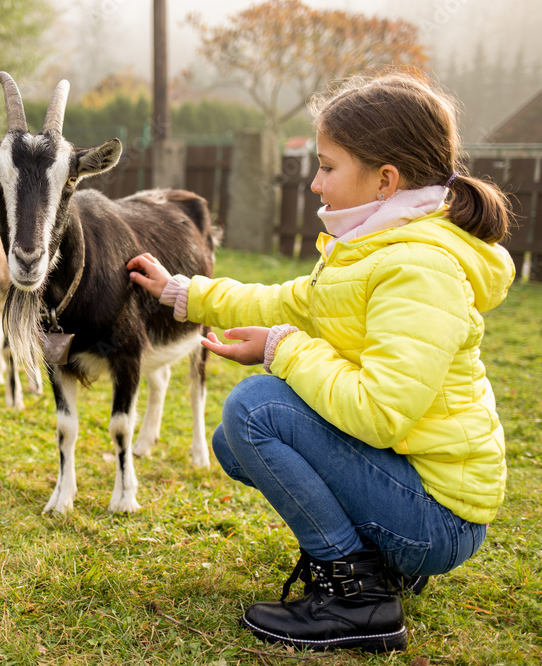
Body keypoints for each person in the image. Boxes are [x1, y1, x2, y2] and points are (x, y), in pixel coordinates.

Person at [127, 73, 515, 654]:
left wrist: (281, 348)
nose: (313, 183)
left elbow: (380, 412)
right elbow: (287, 300)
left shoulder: (417, 269)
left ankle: (358, 596)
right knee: (235, 442)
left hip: (439, 518)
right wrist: (184, 293)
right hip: (415, 494)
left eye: (328, 167)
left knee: (255, 409)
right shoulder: (374, 247)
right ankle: (381, 565)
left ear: (385, 180)